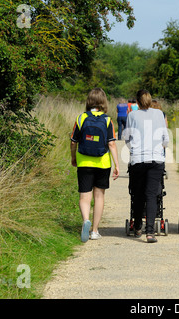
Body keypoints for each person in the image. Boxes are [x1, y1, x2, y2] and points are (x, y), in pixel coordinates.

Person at [70, 88, 120, 242]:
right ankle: (95, 231)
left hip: (84, 161)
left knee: (84, 196)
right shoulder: (107, 120)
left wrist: (73, 158)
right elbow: (111, 144)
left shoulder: (81, 118)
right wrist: (117, 165)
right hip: (102, 163)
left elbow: (73, 141)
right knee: (99, 196)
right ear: (103, 102)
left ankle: (86, 220)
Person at [123, 90, 169, 243]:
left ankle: (137, 227)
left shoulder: (132, 115)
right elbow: (165, 139)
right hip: (155, 159)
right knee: (151, 195)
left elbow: (127, 137)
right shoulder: (159, 114)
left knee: (138, 194)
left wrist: (134, 149)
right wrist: (159, 148)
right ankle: (150, 232)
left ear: (137, 101)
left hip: (138, 159)